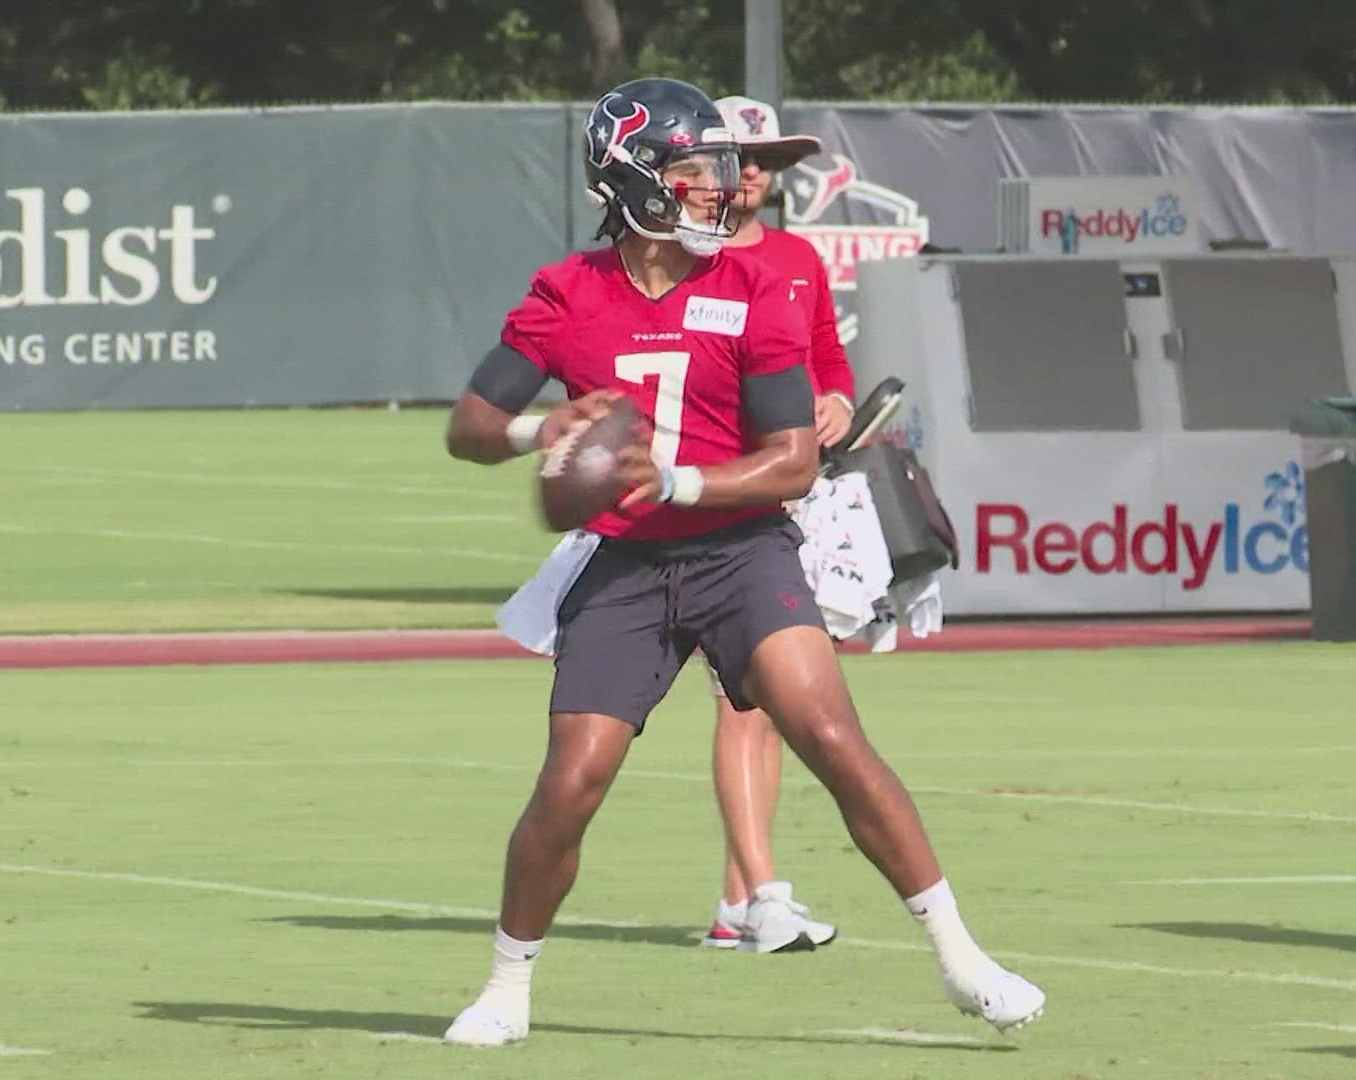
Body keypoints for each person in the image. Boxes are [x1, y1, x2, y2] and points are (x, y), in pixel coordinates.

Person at [442, 76, 1045, 1047]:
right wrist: (535, 426)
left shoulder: (754, 285)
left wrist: (673, 480)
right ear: (633, 182)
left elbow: (794, 460)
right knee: (571, 780)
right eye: (692, 172)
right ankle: (508, 986)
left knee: (835, 742)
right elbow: (466, 428)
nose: (717, 190)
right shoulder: (567, 293)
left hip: (740, 550)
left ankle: (962, 956)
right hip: (625, 567)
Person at [689, 94, 861, 953]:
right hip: (710, 503)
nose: (753, 172)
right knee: (741, 703)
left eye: (764, 161)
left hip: (790, 504)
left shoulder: (797, 258)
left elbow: (827, 355)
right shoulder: (682, 258)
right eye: (738, 157)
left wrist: (834, 398)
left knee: (775, 705)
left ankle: (738, 894)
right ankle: (759, 895)